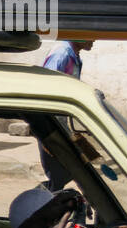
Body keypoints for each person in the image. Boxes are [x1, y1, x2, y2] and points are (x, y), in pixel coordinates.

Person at [38, 40, 93, 190]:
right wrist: (45, 135)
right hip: (50, 125)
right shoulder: (61, 53)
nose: (94, 39)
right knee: (60, 175)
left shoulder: (74, 56)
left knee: (72, 171)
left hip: (61, 124)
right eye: (91, 34)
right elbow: (45, 89)